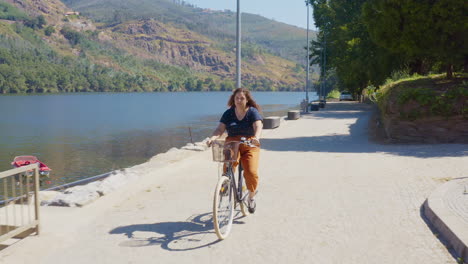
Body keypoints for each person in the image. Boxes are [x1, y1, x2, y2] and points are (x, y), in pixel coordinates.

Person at [207, 88, 263, 213]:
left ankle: (251, 197)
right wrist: (212, 138)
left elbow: (258, 125)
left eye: (242, 98)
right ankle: (226, 183)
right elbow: (220, 129)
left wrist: (256, 138)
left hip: (249, 142)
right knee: (228, 167)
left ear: (247, 99)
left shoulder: (252, 112)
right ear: (233, 99)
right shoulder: (228, 113)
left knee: (251, 171)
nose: (239, 100)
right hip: (232, 142)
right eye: (236, 98)